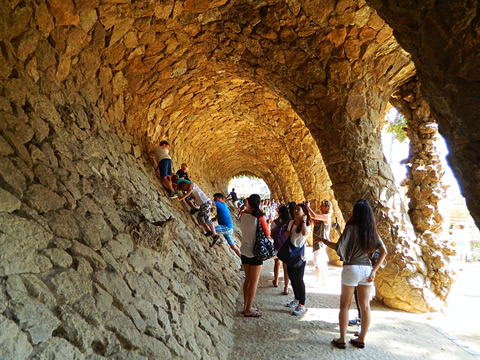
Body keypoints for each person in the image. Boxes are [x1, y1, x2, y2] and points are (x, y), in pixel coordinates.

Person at [320, 199, 387, 349]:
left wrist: (327, 239)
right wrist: (374, 271)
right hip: (366, 269)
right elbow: (384, 251)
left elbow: (340, 247)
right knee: (365, 306)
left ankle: (342, 339)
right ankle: (361, 338)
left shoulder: (351, 228)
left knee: (344, 306)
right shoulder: (371, 231)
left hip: (351, 268)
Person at [239, 194, 270, 317]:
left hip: (244, 249)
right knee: (254, 281)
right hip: (255, 251)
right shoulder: (259, 216)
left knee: (247, 279)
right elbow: (267, 233)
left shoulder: (243, 215)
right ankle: (249, 309)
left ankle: (245, 306)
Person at [285, 203, 311, 316]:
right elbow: (288, 235)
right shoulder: (291, 223)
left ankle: (302, 304)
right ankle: (296, 297)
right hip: (291, 253)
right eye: (295, 209)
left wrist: (304, 221)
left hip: (300, 255)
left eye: (299, 209)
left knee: (299, 278)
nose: (296, 211)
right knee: (292, 276)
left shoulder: (307, 225)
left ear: (304, 212)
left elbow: (305, 234)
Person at [305, 200, 332, 286]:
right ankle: (324, 281)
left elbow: (314, 215)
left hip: (320, 243)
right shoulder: (322, 217)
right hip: (319, 243)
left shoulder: (327, 217)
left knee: (317, 262)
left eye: (322, 206)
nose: (320, 207)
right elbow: (312, 219)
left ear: (327, 207)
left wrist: (308, 207)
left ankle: (318, 280)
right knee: (322, 262)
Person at [211, 193, 241, 258]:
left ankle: (221, 239)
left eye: (215, 198)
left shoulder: (220, 204)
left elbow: (210, 202)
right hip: (229, 228)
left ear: (220, 198)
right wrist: (212, 219)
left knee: (212, 229)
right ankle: (243, 260)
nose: (214, 200)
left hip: (226, 227)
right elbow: (217, 217)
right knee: (233, 246)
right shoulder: (222, 206)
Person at [270, 205, 291, 295]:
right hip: (286, 246)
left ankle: (276, 281)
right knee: (286, 267)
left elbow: (271, 234)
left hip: (278, 245)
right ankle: (286, 287)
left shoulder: (275, 222)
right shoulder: (290, 223)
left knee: (277, 263)